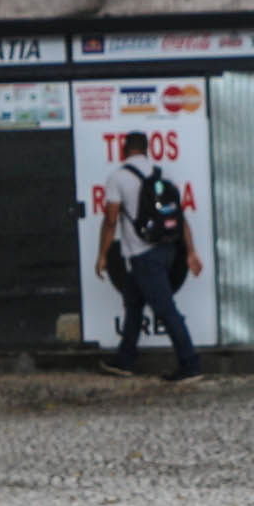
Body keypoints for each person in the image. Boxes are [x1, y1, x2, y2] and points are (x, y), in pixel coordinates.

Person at [92, 132, 203, 381]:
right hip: (167, 250)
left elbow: (111, 220)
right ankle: (125, 360)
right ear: (147, 150)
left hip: (142, 255)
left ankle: (190, 364)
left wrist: (102, 255)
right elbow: (180, 217)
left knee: (165, 310)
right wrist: (191, 252)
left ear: (124, 150)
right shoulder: (163, 174)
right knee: (133, 304)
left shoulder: (118, 177)